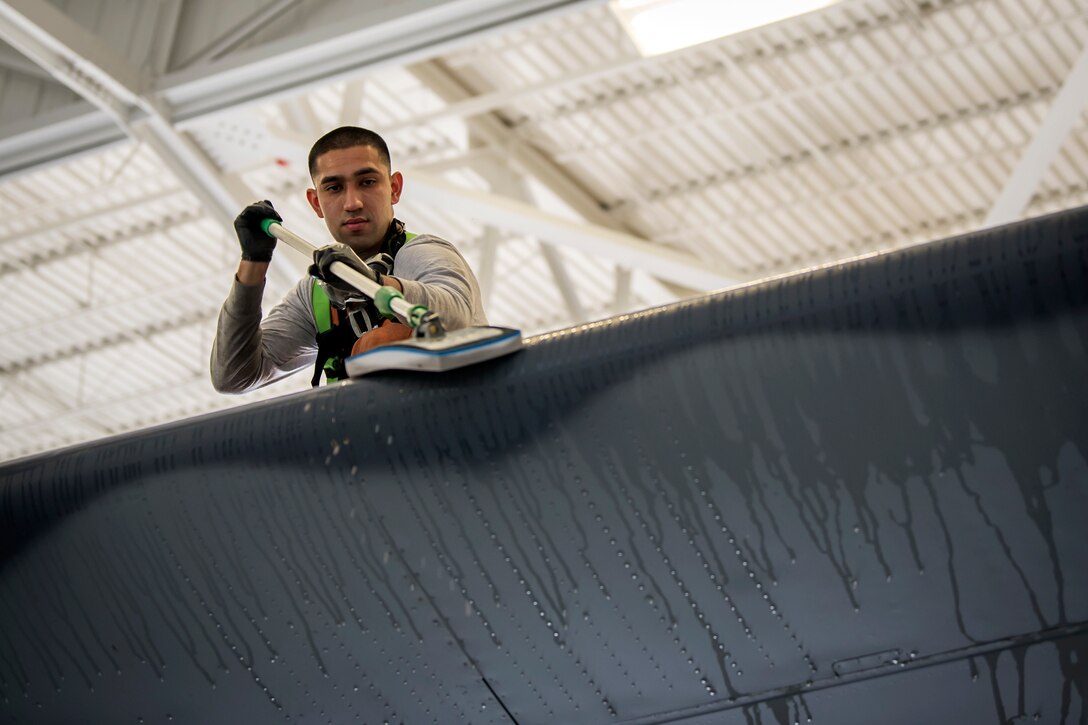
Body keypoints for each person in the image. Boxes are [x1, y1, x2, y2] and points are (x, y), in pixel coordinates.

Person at [210, 126, 488, 393]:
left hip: (455, 431)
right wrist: (253, 264)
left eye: (367, 182)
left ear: (394, 188)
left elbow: (459, 319)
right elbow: (234, 376)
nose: (352, 202)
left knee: (380, 343)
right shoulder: (315, 293)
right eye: (334, 188)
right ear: (316, 202)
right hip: (369, 436)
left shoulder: (423, 252)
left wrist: (375, 284)